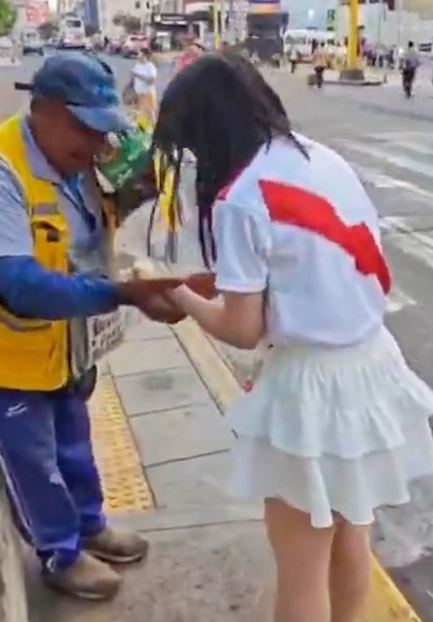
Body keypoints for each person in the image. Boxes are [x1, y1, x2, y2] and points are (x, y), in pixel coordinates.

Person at [153, 53, 433, 622]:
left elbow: (240, 327)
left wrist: (180, 296)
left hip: (311, 392)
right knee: (350, 545)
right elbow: (322, 263)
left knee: (301, 572)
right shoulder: (316, 157)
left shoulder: (239, 198)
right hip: (370, 366)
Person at [0, 52, 187, 600]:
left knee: (76, 443)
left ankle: (90, 524)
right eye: (86, 128)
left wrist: (134, 192)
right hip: (7, 353)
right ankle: (59, 551)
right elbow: (20, 284)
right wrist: (123, 293)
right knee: (34, 460)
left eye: (105, 131)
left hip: (67, 346)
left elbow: (81, 238)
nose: (97, 144)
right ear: (45, 111)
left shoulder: (75, 167)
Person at [131, 48, 159, 123]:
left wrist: (138, 75)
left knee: (149, 113)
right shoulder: (137, 65)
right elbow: (134, 79)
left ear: (145, 55)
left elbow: (151, 80)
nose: (138, 55)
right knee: (138, 113)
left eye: (139, 53)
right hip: (139, 92)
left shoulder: (150, 66)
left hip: (147, 93)